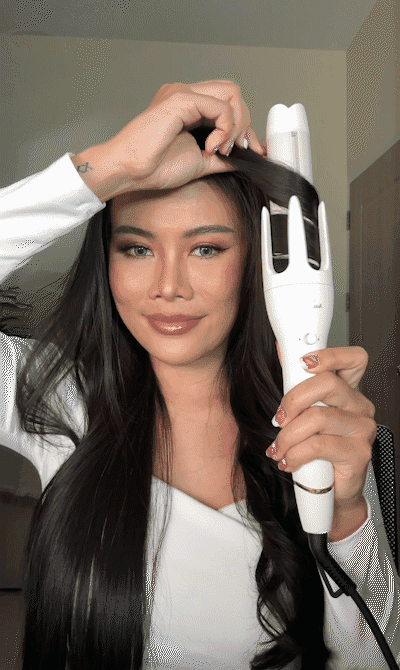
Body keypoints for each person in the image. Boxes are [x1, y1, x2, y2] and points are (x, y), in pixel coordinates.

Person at [0, 80, 398, 670]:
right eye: (137, 248)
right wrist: (109, 168)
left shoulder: (315, 434)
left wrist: (344, 517)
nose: (169, 287)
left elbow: (374, 657)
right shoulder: (56, 397)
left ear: (258, 264)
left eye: (206, 248)